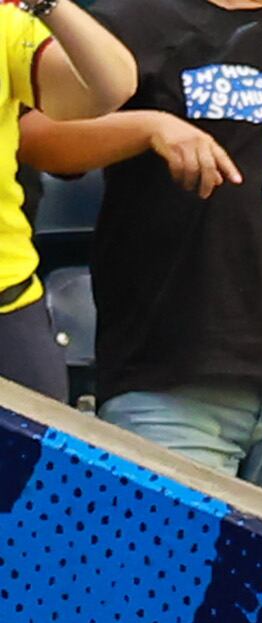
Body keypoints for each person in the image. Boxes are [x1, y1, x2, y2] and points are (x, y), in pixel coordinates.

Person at [24, 0, 262, 511]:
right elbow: (41, 140)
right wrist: (150, 127)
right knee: (166, 586)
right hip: (171, 371)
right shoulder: (129, 16)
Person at [0, 0, 136, 398]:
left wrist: (44, 2)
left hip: (6, 302)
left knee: (32, 456)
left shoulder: (6, 25)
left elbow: (108, 89)